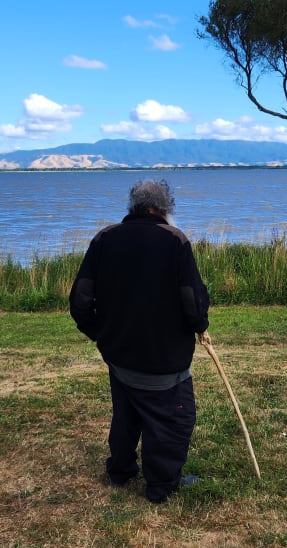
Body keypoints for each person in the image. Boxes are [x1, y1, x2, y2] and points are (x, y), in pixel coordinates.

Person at [69, 179, 211, 503]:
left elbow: (79, 299)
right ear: (160, 208)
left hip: (119, 354)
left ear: (134, 206)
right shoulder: (175, 240)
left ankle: (120, 472)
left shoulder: (105, 238)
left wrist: (101, 332)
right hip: (165, 359)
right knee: (174, 418)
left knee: (127, 414)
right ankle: (161, 485)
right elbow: (192, 299)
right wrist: (201, 325)